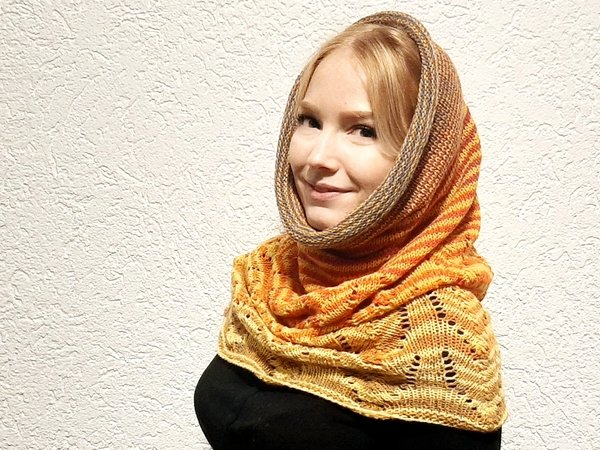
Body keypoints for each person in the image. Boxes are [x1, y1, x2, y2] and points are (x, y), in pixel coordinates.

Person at [194, 10, 507, 449]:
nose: (317, 157)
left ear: (425, 161)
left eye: (363, 130)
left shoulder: (440, 342)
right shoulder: (269, 279)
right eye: (309, 121)